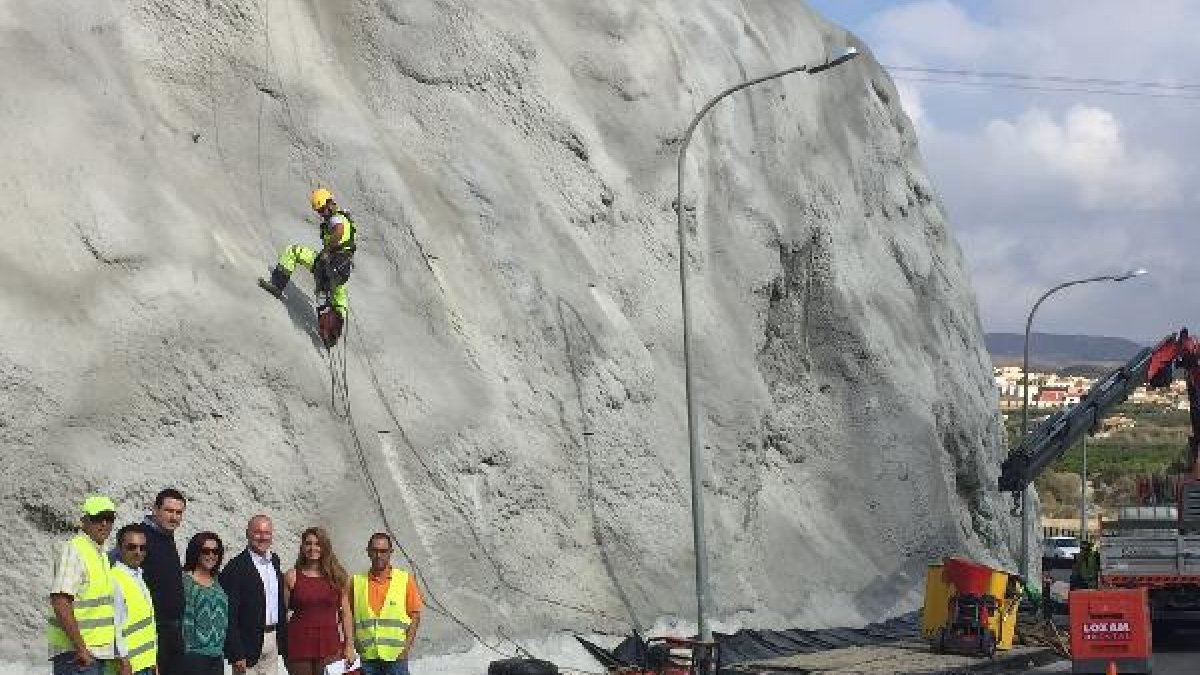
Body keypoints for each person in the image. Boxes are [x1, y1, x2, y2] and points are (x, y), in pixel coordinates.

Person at [260, 187, 357, 347]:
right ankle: (332, 334)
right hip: (343, 268)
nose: (321, 213)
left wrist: (327, 250)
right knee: (339, 296)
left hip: (329, 262)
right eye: (319, 211)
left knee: (293, 252)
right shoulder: (345, 218)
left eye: (322, 209)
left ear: (329, 203)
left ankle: (277, 285)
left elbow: (338, 231)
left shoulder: (336, 219)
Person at [49, 494, 118, 675]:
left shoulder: (99, 553)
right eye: (97, 518)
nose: (104, 524)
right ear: (84, 521)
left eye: (109, 518)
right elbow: (60, 602)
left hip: (93, 655)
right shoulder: (74, 549)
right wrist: (81, 649)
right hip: (77, 657)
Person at [283, 527, 355, 675]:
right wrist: (282, 644)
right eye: (308, 543)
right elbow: (282, 613)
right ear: (302, 547)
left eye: (317, 544)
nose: (313, 548)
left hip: (330, 644)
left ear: (325, 547)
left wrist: (349, 645)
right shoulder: (291, 576)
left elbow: (346, 613)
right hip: (298, 644)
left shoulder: (337, 576)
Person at [221, 515, 287, 675]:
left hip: (271, 640)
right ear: (247, 534)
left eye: (267, 533)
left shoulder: (274, 561)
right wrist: (236, 652)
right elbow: (229, 613)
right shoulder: (236, 567)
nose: (262, 537)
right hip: (246, 644)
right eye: (257, 532)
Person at [351, 533, 423, 675]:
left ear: (391, 552)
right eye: (374, 550)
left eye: (383, 551)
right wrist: (353, 644)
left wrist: (406, 649)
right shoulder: (356, 581)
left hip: (396, 659)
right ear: (368, 552)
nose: (379, 555)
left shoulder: (404, 580)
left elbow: (415, 616)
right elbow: (348, 616)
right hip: (367, 659)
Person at [141, 488, 186, 675]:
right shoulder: (140, 538)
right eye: (169, 511)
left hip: (172, 632)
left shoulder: (166, 537)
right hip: (153, 632)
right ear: (155, 509)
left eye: (178, 512)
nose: (174, 517)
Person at [110, 523, 157, 675]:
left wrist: (153, 661)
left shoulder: (138, 577)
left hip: (145, 663)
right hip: (129, 666)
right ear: (119, 548)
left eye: (142, 548)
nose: (138, 552)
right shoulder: (115, 579)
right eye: (132, 547)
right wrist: (123, 661)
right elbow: (114, 626)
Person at [181, 533, 229, 675]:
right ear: (196, 552)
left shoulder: (218, 581)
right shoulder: (185, 581)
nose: (211, 555)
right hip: (194, 657)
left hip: (217, 656)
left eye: (215, 551)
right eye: (205, 551)